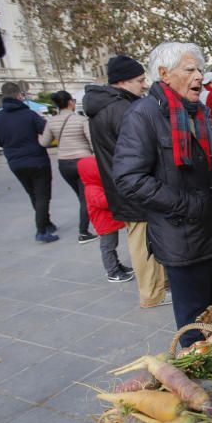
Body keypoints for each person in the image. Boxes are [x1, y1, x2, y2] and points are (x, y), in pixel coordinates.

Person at [113, 42, 212, 349]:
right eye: (190, 69)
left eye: (200, 70)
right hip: (180, 234)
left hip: (210, 229)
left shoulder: (198, 112)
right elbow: (128, 179)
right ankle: (200, 374)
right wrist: (184, 204)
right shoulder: (143, 115)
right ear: (164, 74)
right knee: (194, 323)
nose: (199, 76)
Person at [84, 54, 170, 308]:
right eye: (139, 80)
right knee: (143, 242)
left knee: (145, 238)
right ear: (122, 82)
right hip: (134, 187)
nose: (144, 85)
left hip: (123, 186)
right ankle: (151, 294)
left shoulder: (106, 107)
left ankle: (158, 286)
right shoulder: (121, 109)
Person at [0, 82, 58, 242]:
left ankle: (46, 222)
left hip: (15, 161)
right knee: (42, 195)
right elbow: (46, 132)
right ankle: (41, 230)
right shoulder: (29, 115)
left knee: (33, 194)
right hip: (37, 160)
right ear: (18, 95)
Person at [44, 90, 97, 244]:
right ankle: (83, 232)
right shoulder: (80, 120)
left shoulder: (51, 121)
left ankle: (85, 225)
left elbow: (44, 142)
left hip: (64, 163)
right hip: (82, 161)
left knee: (81, 197)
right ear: (70, 103)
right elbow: (92, 142)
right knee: (85, 198)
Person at [78, 156, 134, 283]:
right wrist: (115, 195)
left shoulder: (97, 185)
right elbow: (103, 202)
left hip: (109, 222)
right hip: (104, 225)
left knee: (112, 246)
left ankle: (117, 265)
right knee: (108, 247)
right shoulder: (92, 188)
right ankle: (112, 272)